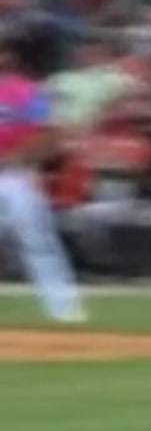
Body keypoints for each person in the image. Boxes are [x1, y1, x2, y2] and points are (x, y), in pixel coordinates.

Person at [0, 21, 87, 323]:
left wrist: (18, 158)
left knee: (38, 241)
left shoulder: (29, 91)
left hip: (15, 177)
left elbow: (50, 134)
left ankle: (64, 311)